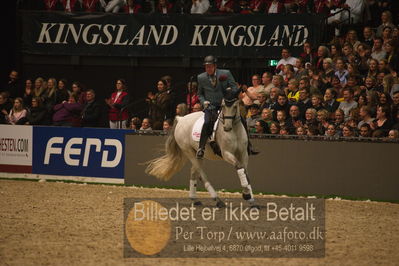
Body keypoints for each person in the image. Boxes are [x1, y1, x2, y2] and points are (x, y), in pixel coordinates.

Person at [196, 55, 257, 159]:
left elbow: (234, 87)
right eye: (206, 67)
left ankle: (248, 145)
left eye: (210, 66)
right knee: (207, 122)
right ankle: (201, 148)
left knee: (241, 119)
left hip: (226, 104)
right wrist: (203, 101)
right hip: (211, 106)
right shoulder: (201, 77)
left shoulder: (225, 74)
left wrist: (230, 92)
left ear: (215, 66)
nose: (208, 69)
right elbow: (200, 94)